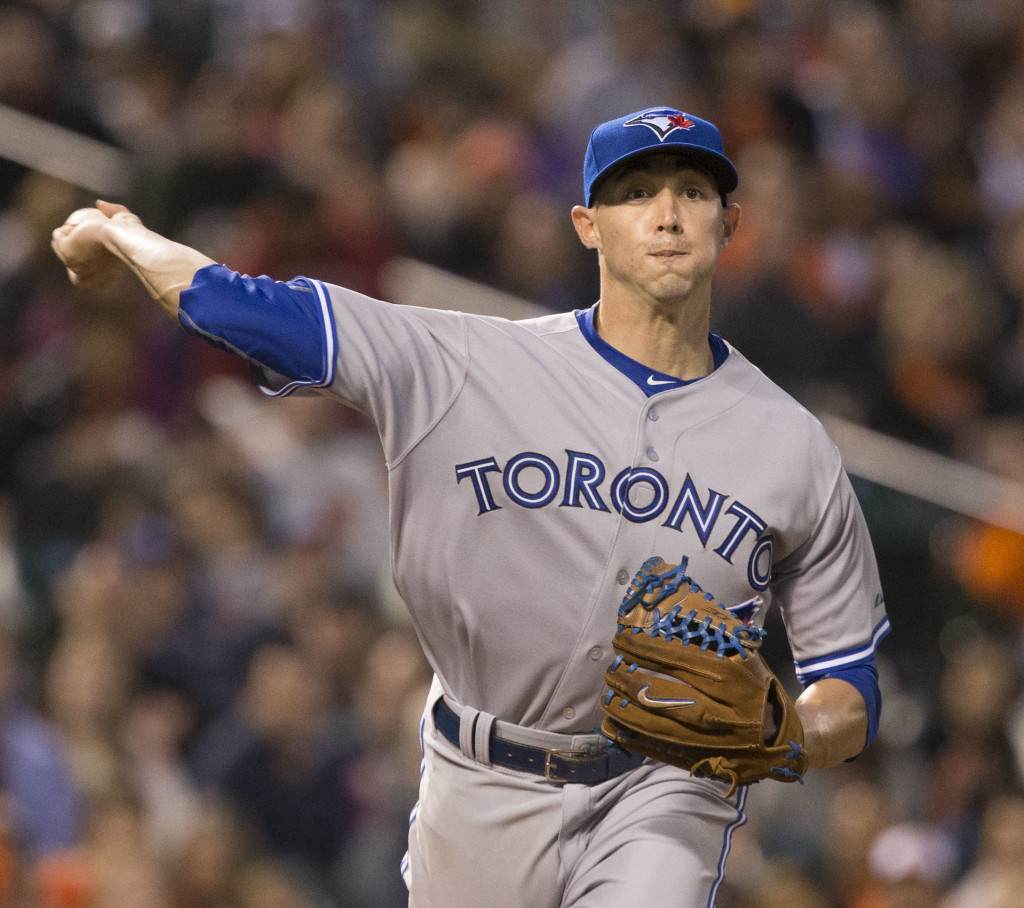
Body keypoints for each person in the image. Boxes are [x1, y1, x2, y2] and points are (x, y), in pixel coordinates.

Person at [52, 106, 890, 908]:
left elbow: (849, 684)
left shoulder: (793, 445)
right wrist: (120, 235)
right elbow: (244, 308)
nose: (667, 215)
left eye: (694, 192)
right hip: (482, 771)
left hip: (666, 788)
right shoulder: (471, 362)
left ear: (730, 223)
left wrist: (792, 734)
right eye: (636, 193)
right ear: (587, 225)